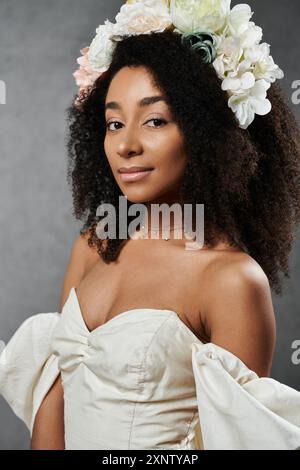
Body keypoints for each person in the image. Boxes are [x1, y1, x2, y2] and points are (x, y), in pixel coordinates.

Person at [1, 0, 300, 450]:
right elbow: (55, 403)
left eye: (155, 120)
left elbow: (236, 439)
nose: (126, 145)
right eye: (114, 122)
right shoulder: (95, 244)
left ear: (206, 131)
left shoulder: (231, 280)